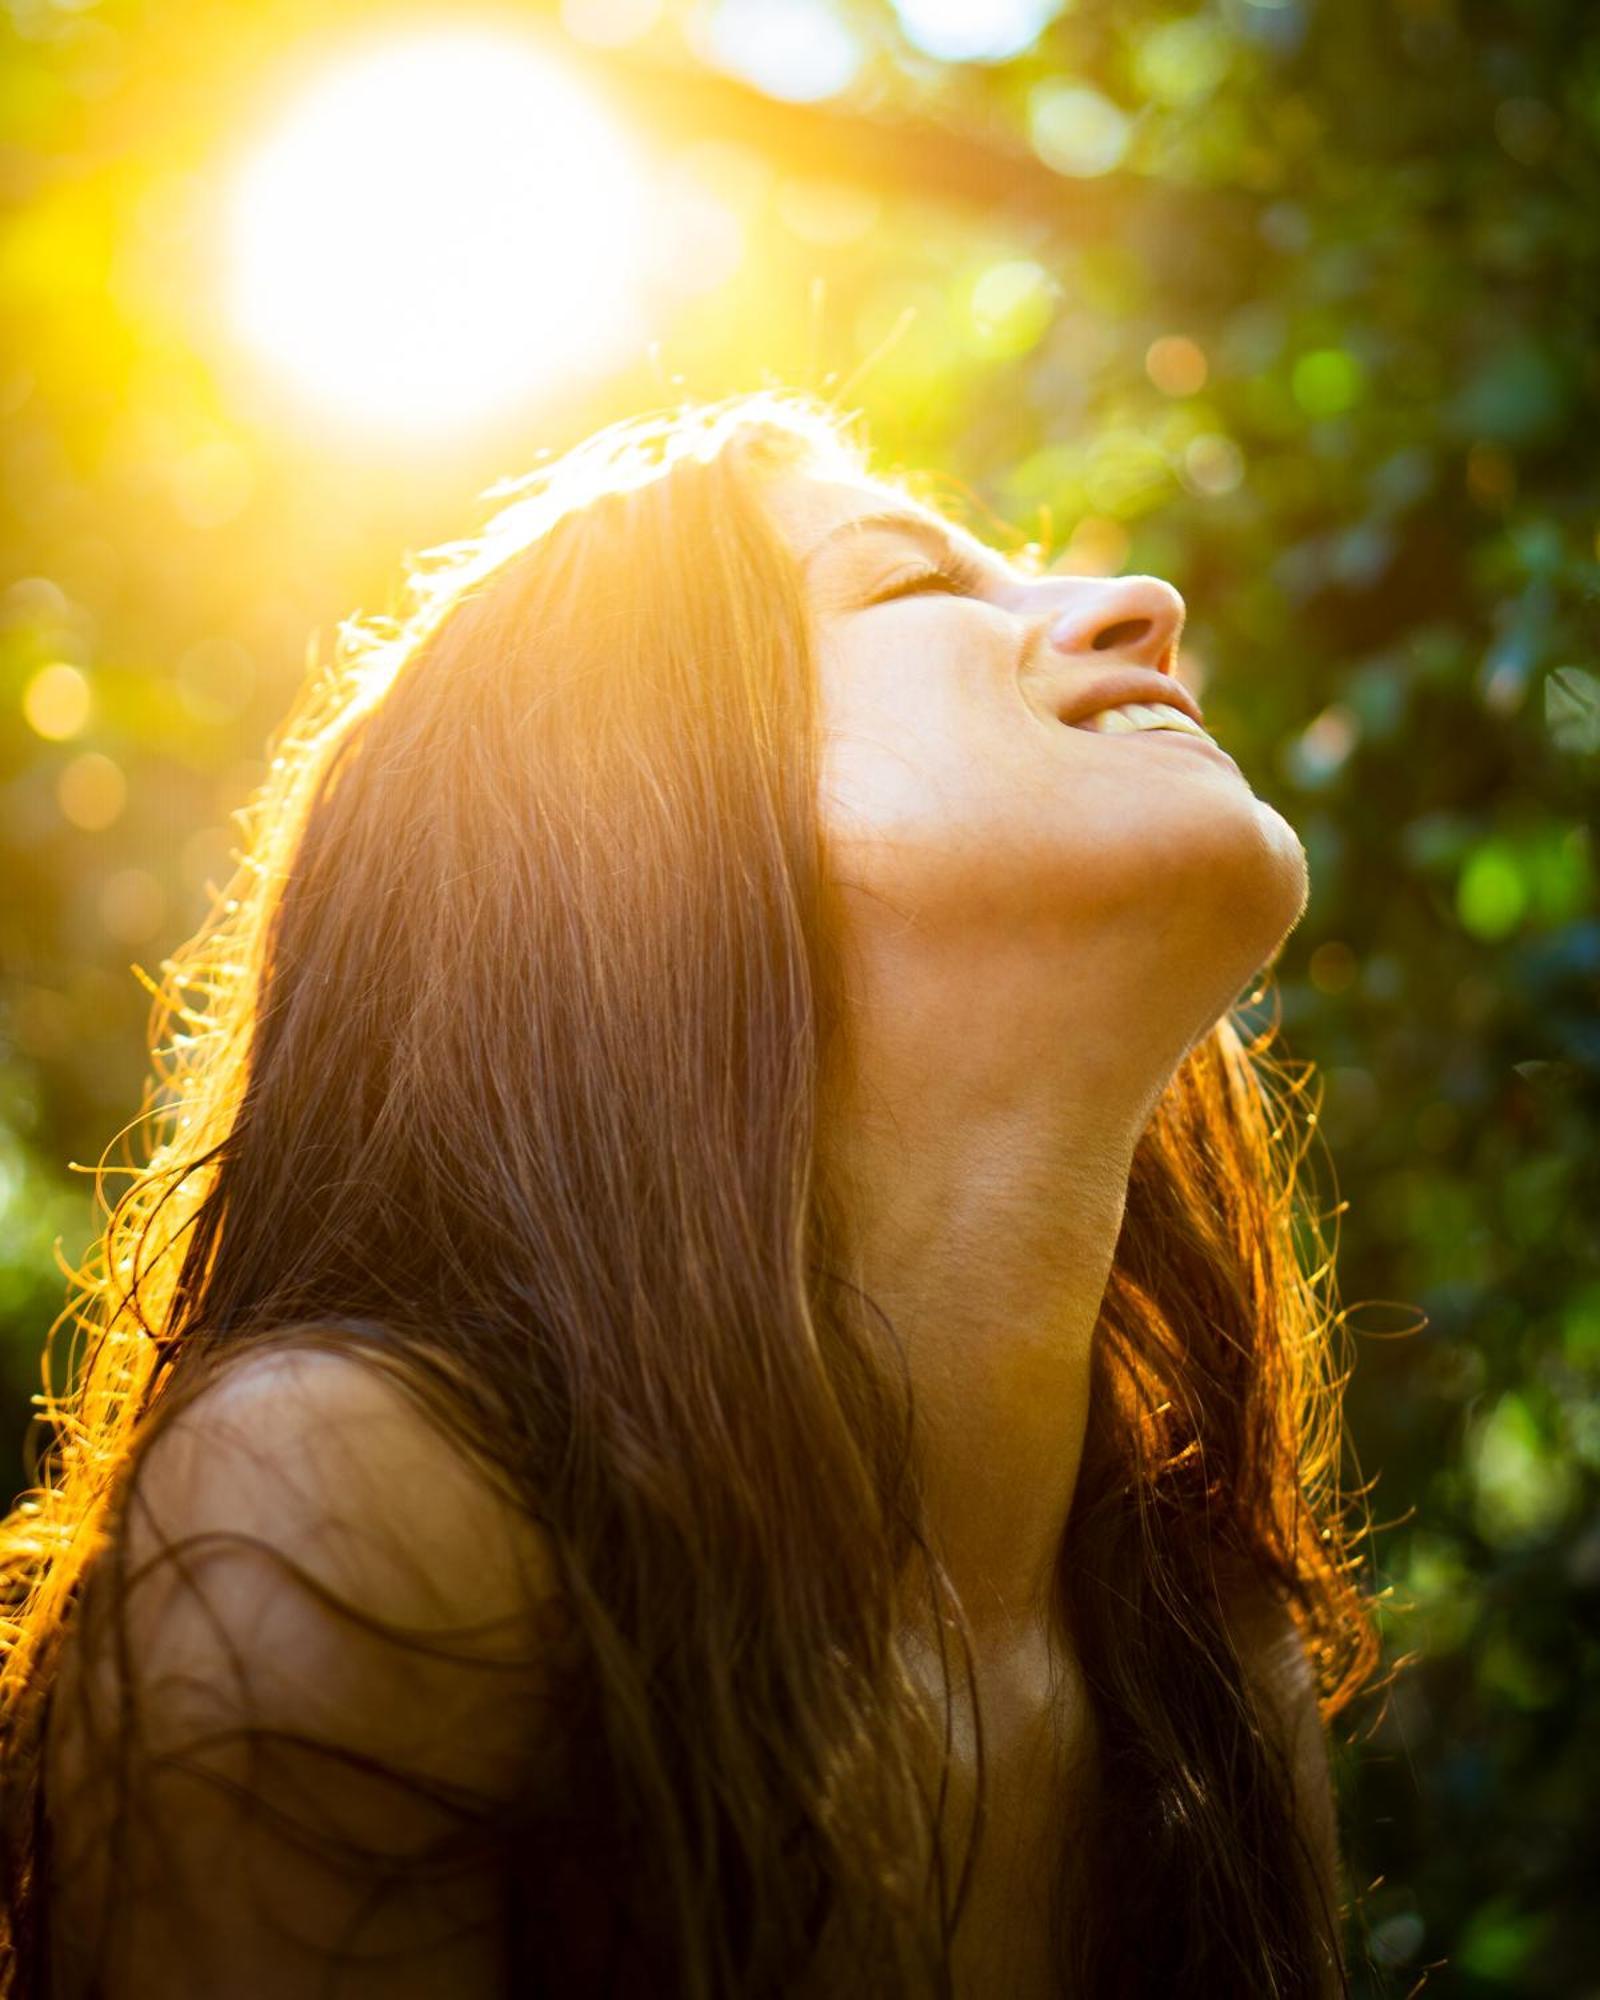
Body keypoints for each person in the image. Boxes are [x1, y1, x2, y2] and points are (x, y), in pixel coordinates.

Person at [0, 390, 1379, 1997]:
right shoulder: (350, 1512)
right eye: (920, 586)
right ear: (641, 815)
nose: (1140, 606)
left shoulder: (1216, 1664)